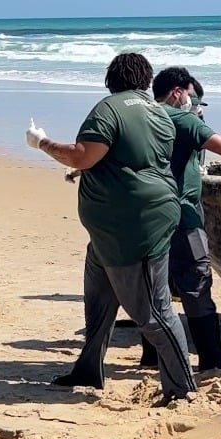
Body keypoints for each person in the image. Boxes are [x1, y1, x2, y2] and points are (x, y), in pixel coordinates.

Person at [24, 52, 197, 405]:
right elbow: (126, 160)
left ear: (110, 80)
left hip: (132, 230)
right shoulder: (159, 113)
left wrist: (40, 142)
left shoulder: (110, 109)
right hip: (115, 230)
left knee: (154, 312)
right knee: (99, 303)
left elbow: (81, 156)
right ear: (146, 80)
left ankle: (182, 389)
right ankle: (88, 369)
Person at [134, 65, 221, 372]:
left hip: (146, 216)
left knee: (156, 285)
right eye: (191, 96)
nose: (194, 103)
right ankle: (211, 356)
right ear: (177, 92)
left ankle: (151, 355)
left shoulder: (141, 116)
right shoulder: (180, 118)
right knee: (196, 281)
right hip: (182, 212)